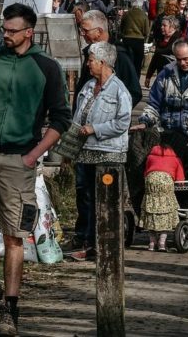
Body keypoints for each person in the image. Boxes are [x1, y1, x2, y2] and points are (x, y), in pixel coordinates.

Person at [0, 3, 71, 336]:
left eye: (12, 31)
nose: (5, 35)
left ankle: (10, 307)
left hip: (20, 161)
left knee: (14, 237)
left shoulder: (46, 67)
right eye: (3, 30)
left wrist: (34, 154)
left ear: (29, 32)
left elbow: (61, 118)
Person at [68, 43, 133, 260]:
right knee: (86, 197)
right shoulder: (87, 87)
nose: (88, 64)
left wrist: (96, 129)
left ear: (103, 62)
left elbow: (123, 122)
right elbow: (77, 117)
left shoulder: (119, 90)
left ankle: (104, 247)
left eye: (91, 60)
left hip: (108, 152)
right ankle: (89, 244)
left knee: (105, 200)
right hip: (85, 151)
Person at [142, 38, 188, 177]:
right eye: (178, 59)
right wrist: (145, 121)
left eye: (186, 59)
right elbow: (154, 103)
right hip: (167, 135)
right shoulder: (165, 74)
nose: (182, 63)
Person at [76, 10, 141, 102]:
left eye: (85, 30)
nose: (82, 34)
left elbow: (134, 92)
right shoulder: (89, 52)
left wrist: (113, 111)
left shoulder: (120, 55)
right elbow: (81, 87)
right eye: (81, 30)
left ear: (99, 31)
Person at [141, 132, 184, 252]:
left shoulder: (150, 157)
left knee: (152, 211)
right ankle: (162, 243)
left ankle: (151, 243)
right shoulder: (175, 159)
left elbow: (146, 172)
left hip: (151, 180)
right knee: (166, 211)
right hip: (166, 181)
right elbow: (180, 179)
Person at [118, 0, 150, 72]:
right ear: (141, 5)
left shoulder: (126, 14)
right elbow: (146, 31)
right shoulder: (143, 15)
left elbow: (121, 27)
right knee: (137, 65)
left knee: (127, 63)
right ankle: (136, 81)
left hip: (127, 40)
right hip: (139, 41)